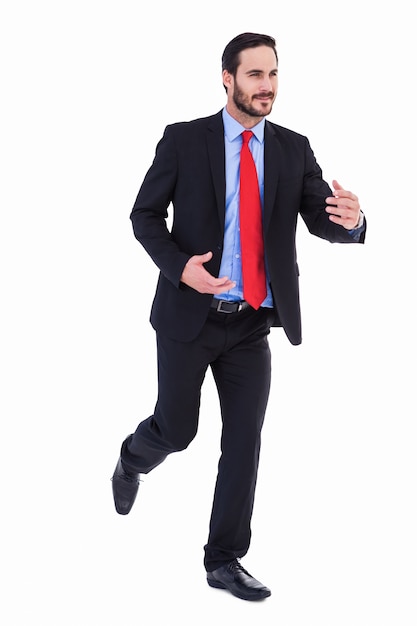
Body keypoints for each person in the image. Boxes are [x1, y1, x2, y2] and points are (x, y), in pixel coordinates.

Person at [111, 32, 366, 602]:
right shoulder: (183, 140)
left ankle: (223, 558)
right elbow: (144, 215)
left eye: (273, 74)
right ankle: (131, 459)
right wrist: (181, 269)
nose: (267, 86)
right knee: (176, 431)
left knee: (244, 441)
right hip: (188, 315)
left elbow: (321, 220)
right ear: (227, 78)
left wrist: (352, 221)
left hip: (251, 322)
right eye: (254, 74)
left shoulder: (294, 148)